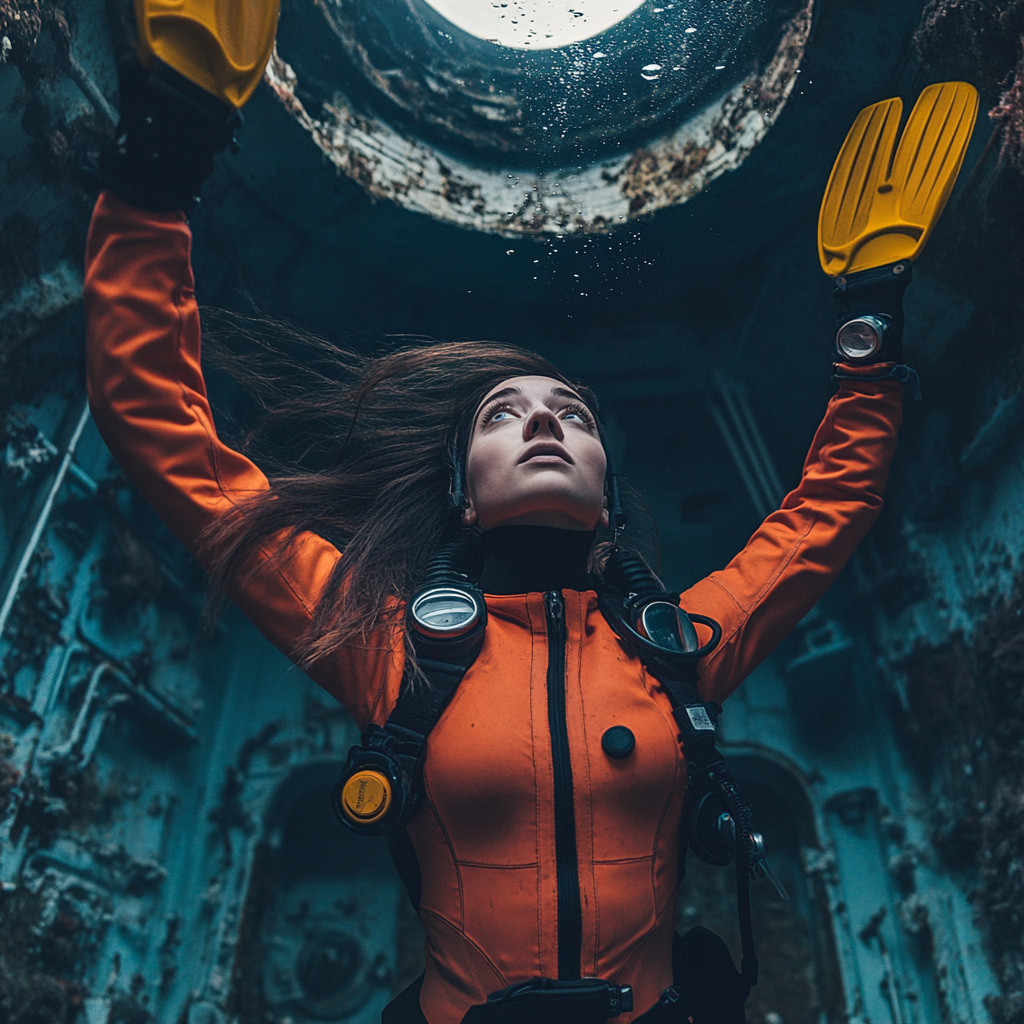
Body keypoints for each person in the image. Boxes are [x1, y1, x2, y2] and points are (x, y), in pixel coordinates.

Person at [82, 57, 909, 1024]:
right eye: (504, 415)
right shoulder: (387, 647)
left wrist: (869, 326)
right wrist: (155, 172)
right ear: (463, 495)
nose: (548, 423)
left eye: (575, 415)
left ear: (605, 496)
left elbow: (827, 509)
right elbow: (169, 440)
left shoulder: (678, 647)